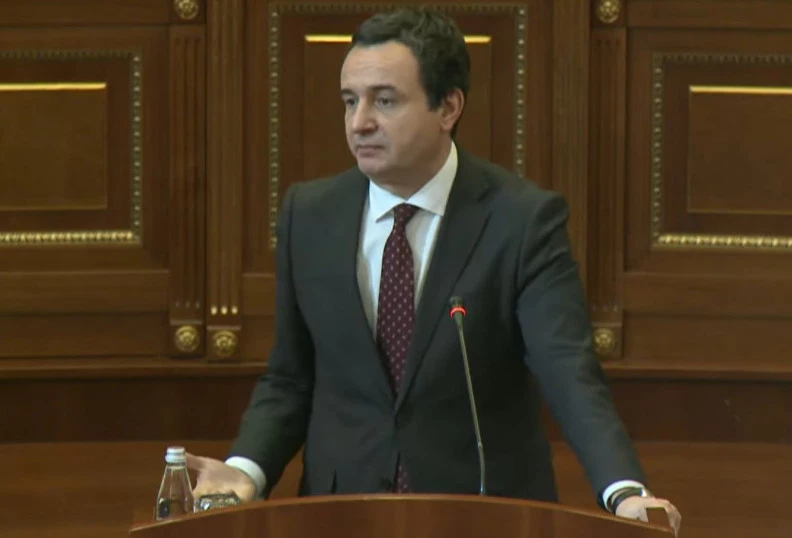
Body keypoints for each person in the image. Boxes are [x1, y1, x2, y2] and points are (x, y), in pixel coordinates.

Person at [189, 7, 681, 535]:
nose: (359, 123)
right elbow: (290, 376)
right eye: (350, 101)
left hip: (484, 512)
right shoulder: (309, 215)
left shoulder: (521, 220)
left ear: (448, 107)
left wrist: (624, 490)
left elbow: (568, 370)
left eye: (385, 100)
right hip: (342, 510)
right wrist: (245, 470)